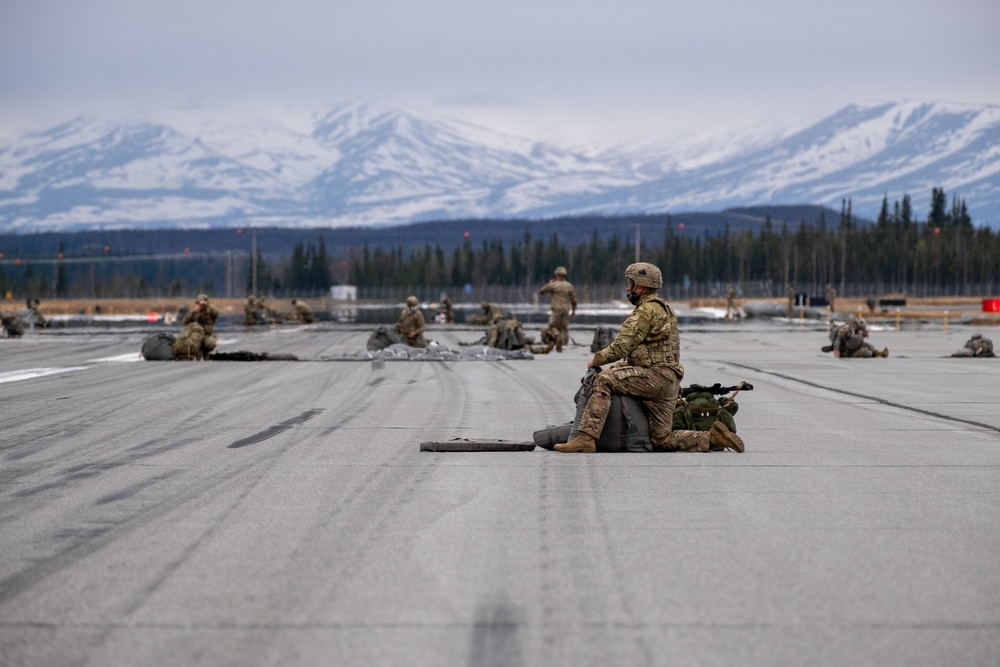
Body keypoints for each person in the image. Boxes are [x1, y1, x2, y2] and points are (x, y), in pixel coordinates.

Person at [556, 262, 745, 454]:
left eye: (630, 283)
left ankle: (586, 439)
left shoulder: (646, 310)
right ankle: (711, 438)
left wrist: (595, 360)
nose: (627, 288)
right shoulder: (666, 308)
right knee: (661, 439)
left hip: (652, 378)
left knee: (602, 379)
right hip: (669, 381)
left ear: (640, 285)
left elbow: (621, 346)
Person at [539, 266, 577, 352]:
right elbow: (574, 300)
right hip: (566, 309)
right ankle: (563, 343)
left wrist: (549, 283)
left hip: (556, 309)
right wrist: (574, 310)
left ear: (556, 275)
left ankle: (557, 337)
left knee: (551, 326)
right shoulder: (569, 286)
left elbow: (542, 291)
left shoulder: (553, 284)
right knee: (564, 328)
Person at [179, 293, 220, 360]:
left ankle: (205, 353)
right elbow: (185, 321)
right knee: (191, 343)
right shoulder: (194, 312)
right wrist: (193, 312)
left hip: (207, 335)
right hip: (196, 335)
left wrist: (207, 306)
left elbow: (217, 313)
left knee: (209, 343)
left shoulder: (210, 311)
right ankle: (195, 354)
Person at [823, 317, 887, 358]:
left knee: (866, 345)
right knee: (867, 352)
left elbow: (858, 341)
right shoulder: (845, 329)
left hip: (850, 348)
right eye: (860, 328)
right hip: (845, 352)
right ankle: (877, 354)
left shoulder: (854, 331)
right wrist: (836, 350)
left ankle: (880, 353)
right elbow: (838, 339)